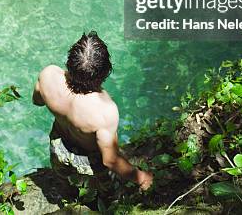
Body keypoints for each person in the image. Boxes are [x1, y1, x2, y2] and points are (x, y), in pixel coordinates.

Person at [32, 31, 153, 192]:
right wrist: (142, 178)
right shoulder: (104, 111)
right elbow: (110, 160)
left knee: (62, 177)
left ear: (70, 61)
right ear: (104, 73)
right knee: (107, 188)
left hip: (59, 144)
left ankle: (67, 191)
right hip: (89, 158)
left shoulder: (48, 75)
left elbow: (37, 101)